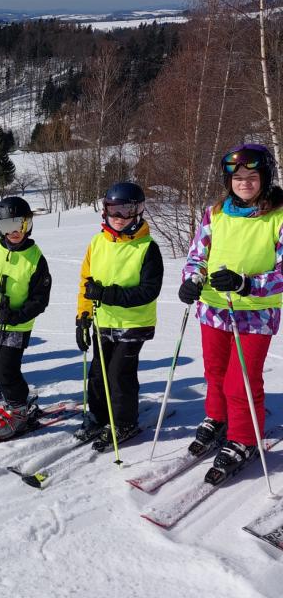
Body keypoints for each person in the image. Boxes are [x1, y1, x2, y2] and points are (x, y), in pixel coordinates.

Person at [179, 142, 283, 482]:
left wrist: (246, 283)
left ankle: (244, 437)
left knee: (242, 381)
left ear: (264, 179)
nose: (244, 183)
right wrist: (192, 279)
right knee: (215, 371)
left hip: (255, 312)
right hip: (214, 308)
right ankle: (218, 417)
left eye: (252, 177)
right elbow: (198, 255)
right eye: (238, 178)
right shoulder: (216, 213)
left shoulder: (278, 216)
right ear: (229, 181)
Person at [75, 182, 163, 445]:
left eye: (127, 210)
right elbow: (86, 284)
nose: (119, 217)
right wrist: (83, 317)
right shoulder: (97, 243)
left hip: (134, 323)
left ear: (138, 211)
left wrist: (107, 294)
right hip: (103, 321)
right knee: (98, 373)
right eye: (114, 210)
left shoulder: (147, 248)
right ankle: (99, 416)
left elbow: (148, 291)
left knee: (118, 373)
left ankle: (124, 423)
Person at [0, 196, 51, 441]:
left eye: (20, 224)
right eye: (7, 226)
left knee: (5, 371)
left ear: (28, 224)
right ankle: (14, 400)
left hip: (17, 326)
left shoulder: (36, 259)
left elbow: (40, 300)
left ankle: (19, 411)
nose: (14, 232)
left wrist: (16, 315)